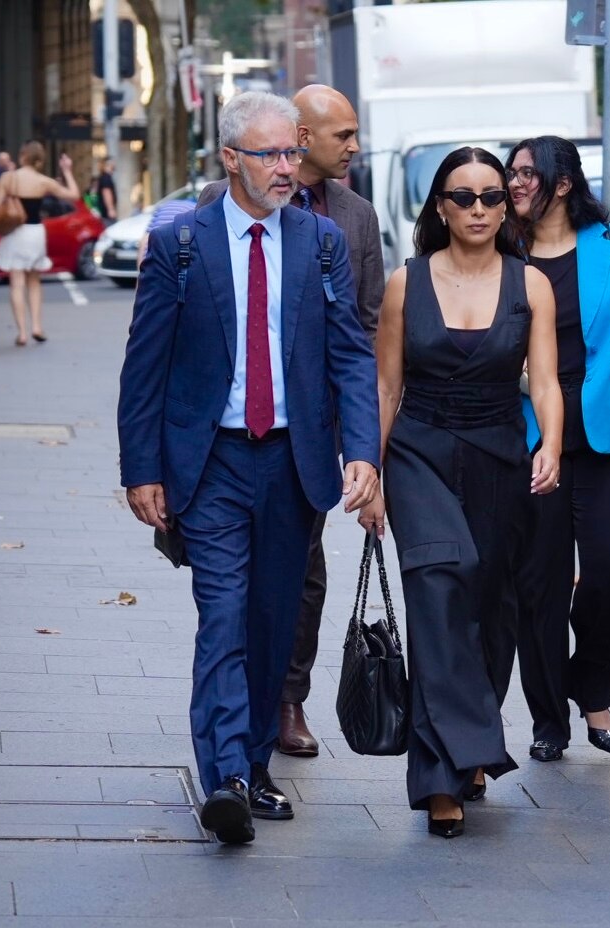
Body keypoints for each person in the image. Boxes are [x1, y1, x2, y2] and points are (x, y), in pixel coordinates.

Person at [117, 91, 380, 845]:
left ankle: (255, 764)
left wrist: (360, 450)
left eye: (292, 152)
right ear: (230, 158)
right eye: (269, 154)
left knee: (273, 623)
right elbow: (146, 367)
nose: (286, 168)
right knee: (224, 616)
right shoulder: (182, 243)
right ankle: (226, 775)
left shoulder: (320, 242)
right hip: (213, 462)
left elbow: (350, 357)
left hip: (293, 463)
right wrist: (142, 469)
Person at [357, 147, 561, 838]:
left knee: (490, 606)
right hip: (419, 452)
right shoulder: (404, 284)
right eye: (464, 196)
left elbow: (548, 380)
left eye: (492, 197)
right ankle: (442, 777)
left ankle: (468, 746)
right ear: (439, 206)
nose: (479, 209)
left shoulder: (530, 284)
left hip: (500, 453)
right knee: (441, 588)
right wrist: (372, 472)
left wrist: (552, 445)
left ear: (508, 206)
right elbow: (386, 387)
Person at [198, 84, 385, 760]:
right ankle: (234, 749)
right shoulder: (204, 222)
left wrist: (360, 446)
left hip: (309, 437)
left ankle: (285, 699)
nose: (353, 148)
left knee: (297, 584)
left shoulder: (351, 221)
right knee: (227, 598)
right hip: (224, 448)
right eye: (343, 135)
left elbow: (360, 331)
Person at [503, 136, 610, 763]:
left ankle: (592, 685)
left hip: (607, 430)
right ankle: (550, 719)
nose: (513, 184)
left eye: (525, 174)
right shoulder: (501, 249)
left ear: (562, 184)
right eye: (510, 171)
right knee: (539, 583)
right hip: (527, 430)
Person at [0, 142, 80, 345]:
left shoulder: (8, 178)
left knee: (16, 281)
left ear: (22, 156)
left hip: (15, 232)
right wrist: (67, 170)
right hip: (35, 232)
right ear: (39, 160)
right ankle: (37, 326)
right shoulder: (43, 181)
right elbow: (73, 195)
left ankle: (22, 332)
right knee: (34, 280)